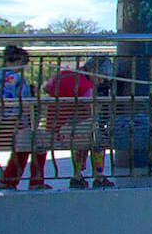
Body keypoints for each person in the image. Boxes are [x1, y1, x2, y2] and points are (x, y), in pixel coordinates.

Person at [46, 57, 114, 188]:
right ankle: (99, 177)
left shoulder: (63, 74)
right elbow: (90, 112)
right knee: (98, 139)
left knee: (83, 136)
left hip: (54, 129)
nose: (101, 82)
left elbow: (46, 88)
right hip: (70, 131)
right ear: (93, 71)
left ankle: (77, 175)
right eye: (101, 77)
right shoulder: (86, 86)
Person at [0, 46, 44, 190]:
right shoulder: (18, 81)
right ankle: (35, 182)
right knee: (39, 141)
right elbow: (27, 107)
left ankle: (8, 181)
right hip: (11, 131)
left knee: (26, 140)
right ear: (18, 61)